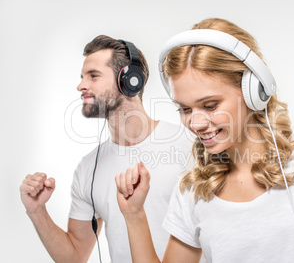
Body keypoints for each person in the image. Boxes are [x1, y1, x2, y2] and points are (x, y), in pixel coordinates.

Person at [115, 18, 294, 263]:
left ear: (255, 90)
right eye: (185, 109)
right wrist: (135, 215)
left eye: (211, 105)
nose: (196, 123)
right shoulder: (193, 191)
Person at [19, 35, 194, 262]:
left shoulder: (190, 145)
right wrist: (37, 211)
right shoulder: (88, 168)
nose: (81, 86)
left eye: (93, 76)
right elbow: (74, 256)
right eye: (82, 77)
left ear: (130, 81)